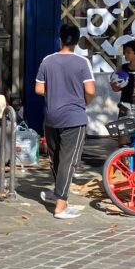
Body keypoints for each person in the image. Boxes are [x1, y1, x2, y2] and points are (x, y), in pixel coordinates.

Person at [35, 23, 95, 219]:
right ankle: (61, 205)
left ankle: (58, 192)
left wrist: (56, 94)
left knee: (57, 159)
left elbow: (39, 89)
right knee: (69, 161)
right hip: (74, 118)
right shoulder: (82, 62)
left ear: (60, 39)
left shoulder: (47, 61)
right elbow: (90, 90)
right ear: (77, 42)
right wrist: (81, 103)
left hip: (51, 117)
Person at [110, 39, 135, 146]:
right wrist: (114, 86)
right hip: (125, 105)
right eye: (125, 52)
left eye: (129, 52)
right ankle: (122, 157)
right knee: (122, 133)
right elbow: (116, 88)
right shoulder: (122, 69)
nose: (126, 54)